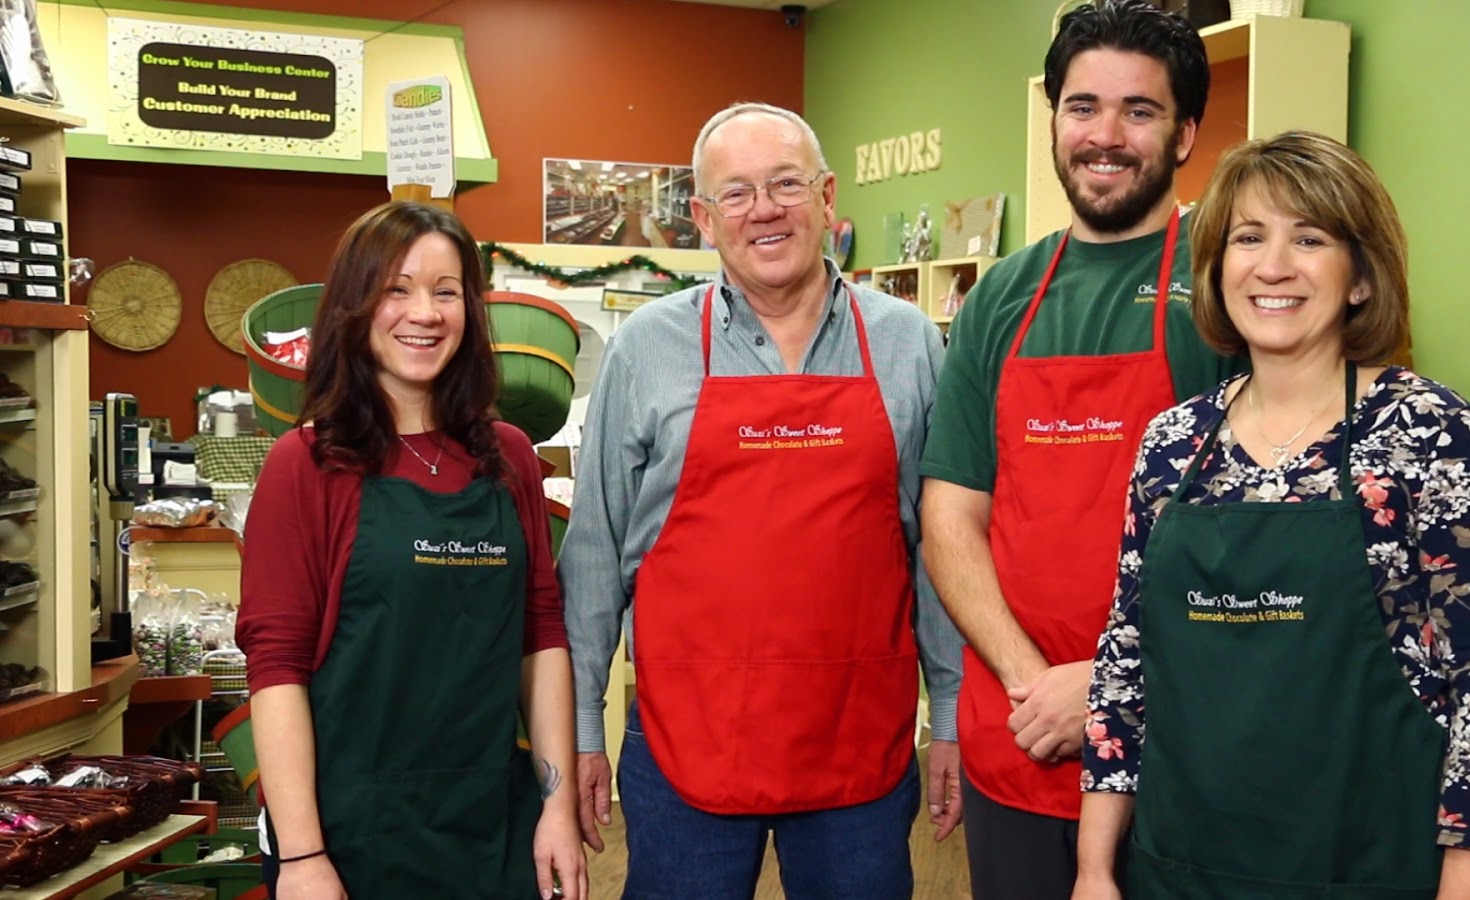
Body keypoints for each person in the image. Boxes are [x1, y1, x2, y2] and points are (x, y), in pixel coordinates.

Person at [1075, 131, 1470, 899]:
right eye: (1248, 238)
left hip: (1378, 871)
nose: (1273, 265)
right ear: (1218, 269)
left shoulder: (1431, 432)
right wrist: (1095, 870)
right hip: (1184, 869)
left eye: (1310, 238)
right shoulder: (1174, 445)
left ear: (1360, 277)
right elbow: (1126, 667)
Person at [560, 101, 963, 900]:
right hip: (686, 744)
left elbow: (939, 548)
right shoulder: (648, 347)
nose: (765, 210)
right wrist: (580, 728)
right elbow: (597, 553)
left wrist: (948, 711)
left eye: (786, 184)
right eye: (736, 194)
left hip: (861, 741)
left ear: (826, 198)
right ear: (706, 220)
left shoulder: (909, 340)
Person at [918, 2, 1240, 895]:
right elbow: (950, 515)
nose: (1105, 135)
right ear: (1054, 118)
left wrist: (1106, 685)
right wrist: (1035, 684)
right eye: (1081, 106)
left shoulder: (1229, 286)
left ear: (1184, 135)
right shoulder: (1001, 298)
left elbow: (1264, 533)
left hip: (1182, 740)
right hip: (1020, 733)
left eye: (1139, 111)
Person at [238, 201, 587, 900]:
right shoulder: (305, 464)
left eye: (446, 290)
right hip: (350, 831)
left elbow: (540, 634)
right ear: (354, 306)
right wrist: (304, 857)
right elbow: (275, 666)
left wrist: (556, 806)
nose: (423, 313)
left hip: (492, 821)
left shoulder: (509, 457)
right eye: (396, 289)